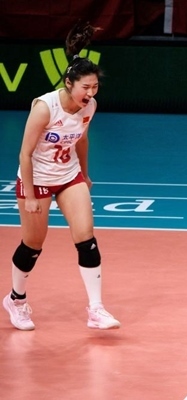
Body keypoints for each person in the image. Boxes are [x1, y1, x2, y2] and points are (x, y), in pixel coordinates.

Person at [2, 21, 120, 331]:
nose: (90, 93)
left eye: (95, 87)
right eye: (85, 87)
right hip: (37, 178)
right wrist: (29, 194)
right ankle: (16, 300)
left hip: (69, 175)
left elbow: (82, 140)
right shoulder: (45, 107)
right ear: (69, 83)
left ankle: (96, 309)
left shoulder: (89, 107)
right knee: (33, 244)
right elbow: (24, 154)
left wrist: (85, 174)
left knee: (86, 239)